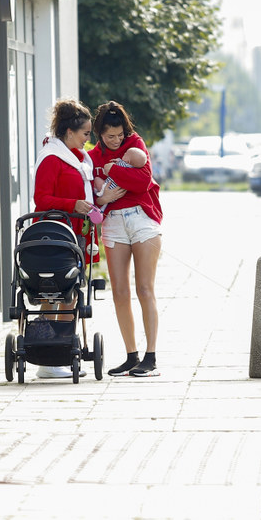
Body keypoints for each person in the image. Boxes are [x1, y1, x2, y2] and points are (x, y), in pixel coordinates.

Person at [31, 99, 119, 378]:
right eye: (85, 134)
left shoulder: (78, 159)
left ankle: (60, 353)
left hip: (75, 233)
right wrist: (74, 204)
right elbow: (41, 198)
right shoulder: (52, 158)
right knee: (53, 292)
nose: (87, 139)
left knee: (70, 294)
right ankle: (47, 358)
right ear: (69, 133)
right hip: (54, 235)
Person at [89, 101, 164, 377]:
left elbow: (142, 181)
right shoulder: (93, 155)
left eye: (120, 134)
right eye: (110, 136)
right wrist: (102, 197)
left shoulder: (135, 144)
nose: (117, 140)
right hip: (113, 224)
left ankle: (151, 357)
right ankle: (131, 356)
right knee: (120, 292)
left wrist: (113, 171)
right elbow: (91, 192)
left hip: (142, 219)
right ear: (100, 134)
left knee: (145, 289)